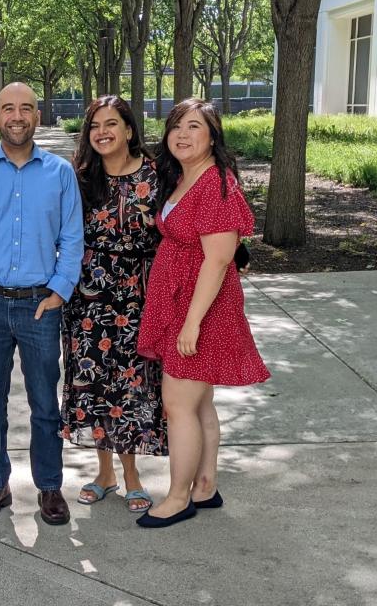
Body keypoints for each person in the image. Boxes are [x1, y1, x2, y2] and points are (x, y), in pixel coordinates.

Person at [135, 98, 270, 528]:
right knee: (200, 402)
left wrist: (192, 322)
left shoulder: (215, 182)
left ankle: (178, 497)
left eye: (194, 126)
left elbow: (217, 259)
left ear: (213, 135)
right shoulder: (184, 177)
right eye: (176, 126)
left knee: (177, 404)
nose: (182, 134)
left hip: (202, 307)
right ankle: (205, 486)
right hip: (183, 300)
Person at [0, 82, 83, 526]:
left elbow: (71, 237)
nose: (16, 115)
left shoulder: (60, 172)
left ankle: (50, 487)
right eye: (7, 108)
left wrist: (59, 291)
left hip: (40, 307)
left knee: (45, 403)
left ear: (37, 115)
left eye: (25, 108)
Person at [61, 96, 167, 514]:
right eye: (94, 126)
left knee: (134, 383)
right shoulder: (81, 177)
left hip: (140, 294)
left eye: (111, 123)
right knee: (95, 384)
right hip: (88, 297)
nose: (102, 132)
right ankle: (104, 472)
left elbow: (181, 225)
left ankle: (132, 475)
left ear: (128, 129)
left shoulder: (158, 173)